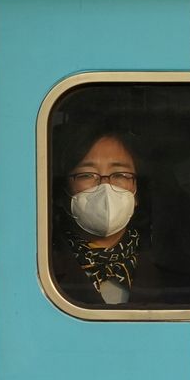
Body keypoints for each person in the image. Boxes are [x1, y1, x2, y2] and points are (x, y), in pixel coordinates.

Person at [51, 123, 147, 305]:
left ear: (136, 192)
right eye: (87, 175)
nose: (105, 187)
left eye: (120, 175)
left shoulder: (172, 273)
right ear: (63, 193)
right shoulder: (44, 268)